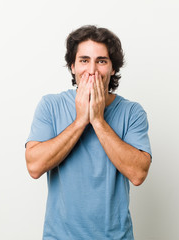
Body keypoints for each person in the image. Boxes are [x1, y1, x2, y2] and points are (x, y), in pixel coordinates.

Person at [25, 25, 152, 239]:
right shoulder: (50, 105)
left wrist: (98, 121)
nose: (92, 70)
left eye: (101, 61)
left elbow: (138, 174)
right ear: (73, 66)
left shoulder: (132, 112)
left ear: (113, 68)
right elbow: (34, 167)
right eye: (84, 60)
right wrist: (80, 121)